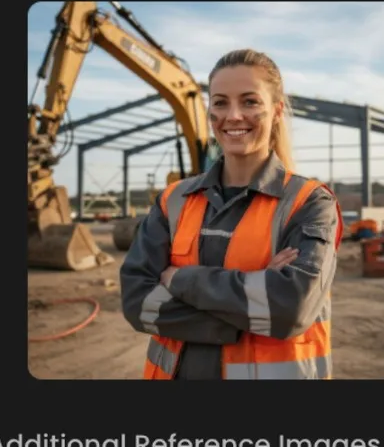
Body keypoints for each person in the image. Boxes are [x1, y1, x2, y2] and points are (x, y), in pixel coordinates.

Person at [120, 48, 343, 379]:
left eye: (250, 102)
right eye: (221, 102)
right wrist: (251, 299)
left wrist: (180, 278)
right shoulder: (173, 201)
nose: (233, 115)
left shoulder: (309, 204)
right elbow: (138, 303)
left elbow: (290, 310)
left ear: (277, 111)